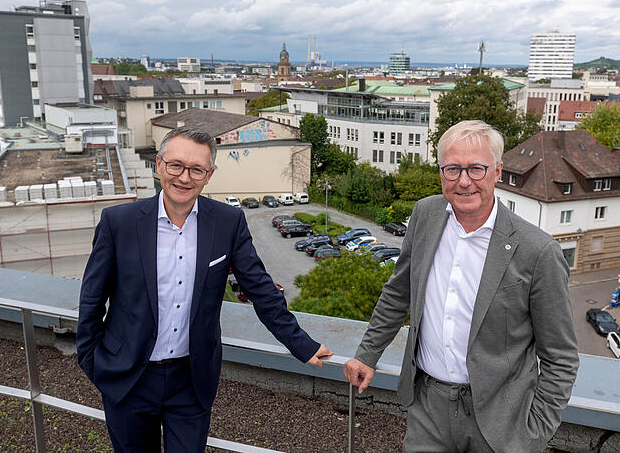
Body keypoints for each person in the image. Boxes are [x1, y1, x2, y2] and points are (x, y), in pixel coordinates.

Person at [77, 128, 332, 452]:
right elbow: (92, 297)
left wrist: (302, 344)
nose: (185, 177)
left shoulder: (228, 222)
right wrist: (91, 361)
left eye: (196, 169)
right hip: (128, 378)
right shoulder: (119, 222)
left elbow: (261, 289)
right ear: (159, 165)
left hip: (191, 380)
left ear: (208, 175)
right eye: (176, 166)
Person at [344, 120, 578, 452]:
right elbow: (399, 292)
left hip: (502, 420)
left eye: (476, 169)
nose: (464, 181)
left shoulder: (537, 251)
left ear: (497, 172)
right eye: (452, 169)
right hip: (428, 409)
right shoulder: (425, 216)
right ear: (441, 173)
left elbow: (561, 356)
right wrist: (367, 354)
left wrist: (533, 434)